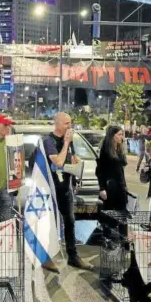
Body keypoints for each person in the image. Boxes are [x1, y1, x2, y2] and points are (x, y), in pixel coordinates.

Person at [43, 113, 93, 271]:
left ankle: (73, 256)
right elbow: (57, 161)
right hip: (51, 190)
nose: (69, 127)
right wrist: (65, 143)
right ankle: (47, 257)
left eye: (70, 123)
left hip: (66, 188)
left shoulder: (69, 142)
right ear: (56, 124)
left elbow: (67, 160)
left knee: (70, 222)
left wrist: (74, 160)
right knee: (50, 224)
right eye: (66, 123)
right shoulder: (49, 141)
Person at [96, 125, 128, 212]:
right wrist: (102, 188)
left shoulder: (118, 149)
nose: (121, 137)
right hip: (110, 187)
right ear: (112, 136)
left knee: (122, 215)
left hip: (120, 186)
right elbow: (100, 171)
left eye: (122, 134)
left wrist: (124, 185)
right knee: (110, 215)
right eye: (119, 134)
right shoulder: (105, 151)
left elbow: (123, 165)